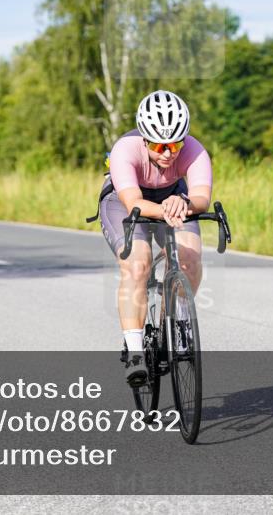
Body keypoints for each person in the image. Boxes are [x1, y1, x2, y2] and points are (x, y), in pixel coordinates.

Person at [93, 90, 212, 385]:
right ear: (145, 140)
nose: (168, 153)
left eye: (176, 145)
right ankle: (135, 351)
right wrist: (166, 210)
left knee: (189, 258)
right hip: (124, 202)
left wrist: (183, 203)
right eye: (160, 146)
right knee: (138, 264)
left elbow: (201, 197)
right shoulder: (125, 150)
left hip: (173, 196)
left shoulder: (194, 150)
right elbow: (133, 201)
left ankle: (177, 323)